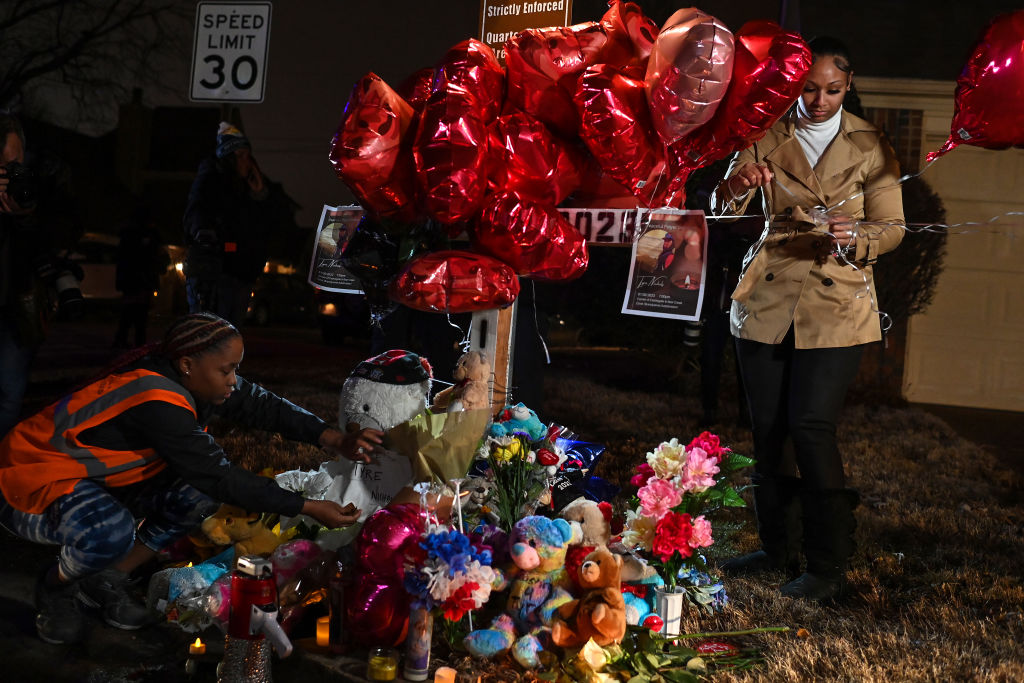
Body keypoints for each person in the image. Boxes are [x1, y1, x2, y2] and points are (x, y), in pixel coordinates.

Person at [0, 312, 378, 645]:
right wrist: (308, 507)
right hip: (27, 483)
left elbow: (263, 405)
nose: (233, 380)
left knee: (194, 496)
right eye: (226, 370)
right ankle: (56, 586)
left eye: (236, 369)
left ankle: (105, 580)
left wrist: (336, 439)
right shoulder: (156, 399)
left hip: (93, 479)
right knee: (109, 531)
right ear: (186, 364)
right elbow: (217, 474)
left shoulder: (192, 381)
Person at [710, 37, 904, 602]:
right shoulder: (764, 132)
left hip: (837, 302)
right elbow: (723, 211)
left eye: (833, 90)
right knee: (768, 431)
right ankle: (777, 548)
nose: (819, 100)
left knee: (812, 429)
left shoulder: (871, 144)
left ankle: (827, 564)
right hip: (767, 298)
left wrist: (857, 235)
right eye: (808, 88)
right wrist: (735, 186)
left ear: (849, 87)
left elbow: (891, 227)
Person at [183, 122, 295, 326]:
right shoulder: (211, 178)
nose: (247, 161)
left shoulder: (251, 185)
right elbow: (197, 209)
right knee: (211, 331)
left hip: (243, 272)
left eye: (247, 155)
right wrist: (204, 233)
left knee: (231, 334)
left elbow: (274, 220)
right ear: (229, 158)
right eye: (241, 155)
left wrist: (260, 195)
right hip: (217, 270)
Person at [113, 206, 169, 349]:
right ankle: (133, 342)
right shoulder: (143, 235)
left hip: (136, 279)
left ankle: (128, 340)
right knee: (137, 312)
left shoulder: (131, 234)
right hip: (139, 279)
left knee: (134, 311)